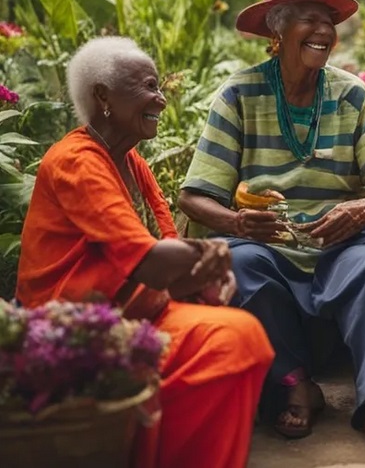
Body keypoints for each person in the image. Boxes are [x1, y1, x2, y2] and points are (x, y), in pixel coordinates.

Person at [16, 37, 273, 468]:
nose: (161, 99)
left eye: (160, 88)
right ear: (103, 97)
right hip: (81, 331)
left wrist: (208, 275)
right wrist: (214, 256)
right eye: (149, 87)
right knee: (233, 343)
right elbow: (151, 261)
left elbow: (168, 251)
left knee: (242, 339)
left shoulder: (133, 163)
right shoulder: (76, 161)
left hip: (142, 313)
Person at [178, 0, 365, 443]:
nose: (324, 30)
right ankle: (296, 387)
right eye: (309, 18)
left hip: (340, 245)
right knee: (241, 263)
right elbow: (195, 195)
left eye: (329, 20)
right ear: (277, 32)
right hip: (266, 247)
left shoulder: (350, 94)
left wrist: (360, 210)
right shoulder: (239, 95)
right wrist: (238, 221)